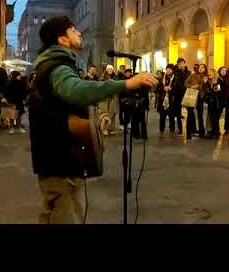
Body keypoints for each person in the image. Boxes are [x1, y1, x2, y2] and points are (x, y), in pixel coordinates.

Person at [28, 16, 156, 224]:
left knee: (53, 213)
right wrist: (125, 84)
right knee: (66, 215)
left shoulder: (53, 65)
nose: (79, 32)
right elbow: (76, 91)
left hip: (54, 156)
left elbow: (67, 101)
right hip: (61, 158)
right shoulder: (57, 67)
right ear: (62, 39)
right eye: (73, 30)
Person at [184, 63, 207, 139]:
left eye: (203, 67)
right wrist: (191, 86)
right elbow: (186, 83)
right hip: (192, 96)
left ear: (205, 69)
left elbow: (204, 86)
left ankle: (202, 132)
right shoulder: (192, 75)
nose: (201, 69)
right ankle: (189, 133)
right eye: (200, 67)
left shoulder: (205, 77)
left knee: (200, 115)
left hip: (200, 97)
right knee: (190, 114)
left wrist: (198, 86)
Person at [156, 64, 176, 138]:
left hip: (172, 101)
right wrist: (163, 89)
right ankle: (161, 132)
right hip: (163, 101)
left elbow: (178, 89)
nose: (168, 70)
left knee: (171, 117)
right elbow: (157, 89)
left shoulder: (175, 78)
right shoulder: (162, 79)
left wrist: (171, 89)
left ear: (172, 70)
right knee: (162, 117)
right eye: (167, 69)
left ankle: (172, 132)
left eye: (170, 69)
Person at [205, 68, 226, 138]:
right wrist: (206, 84)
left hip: (218, 103)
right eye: (208, 73)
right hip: (211, 102)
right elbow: (207, 92)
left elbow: (217, 92)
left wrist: (214, 85)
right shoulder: (209, 82)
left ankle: (215, 133)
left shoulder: (218, 81)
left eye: (210, 72)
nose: (208, 74)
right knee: (212, 118)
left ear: (214, 73)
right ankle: (216, 132)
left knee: (215, 118)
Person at [172, 58, 191, 136]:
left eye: (182, 63)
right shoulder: (175, 73)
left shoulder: (189, 73)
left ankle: (190, 130)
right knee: (178, 113)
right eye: (179, 64)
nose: (181, 65)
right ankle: (180, 130)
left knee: (190, 112)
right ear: (177, 64)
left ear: (185, 63)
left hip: (187, 94)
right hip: (177, 95)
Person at [100, 65, 119, 134]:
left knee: (112, 113)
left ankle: (111, 128)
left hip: (113, 97)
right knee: (105, 112)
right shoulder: (103, 77)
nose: (110, 70)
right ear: (106, 70)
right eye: (108, 69)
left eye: (111, 69)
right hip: (105, 97)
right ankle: (105, 129)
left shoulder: (115, 77)